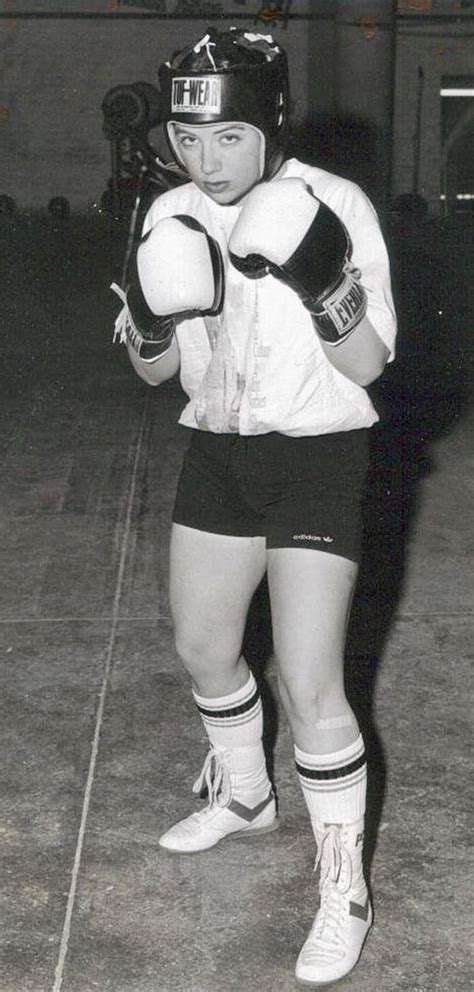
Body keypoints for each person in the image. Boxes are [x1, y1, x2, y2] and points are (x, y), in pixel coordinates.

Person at [112, 26, 397, 988]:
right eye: (190, 140)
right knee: (202, 645)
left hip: (320, 452)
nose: (207, 159)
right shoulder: (172, 210)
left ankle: (344, 887)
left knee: (312, 683)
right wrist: (150, 321)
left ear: (268, 123)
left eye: (228, 136)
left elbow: (371, 363)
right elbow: (156, 371)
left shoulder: (335, 203)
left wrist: (322, 279)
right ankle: (244, 795)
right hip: (219, 451)